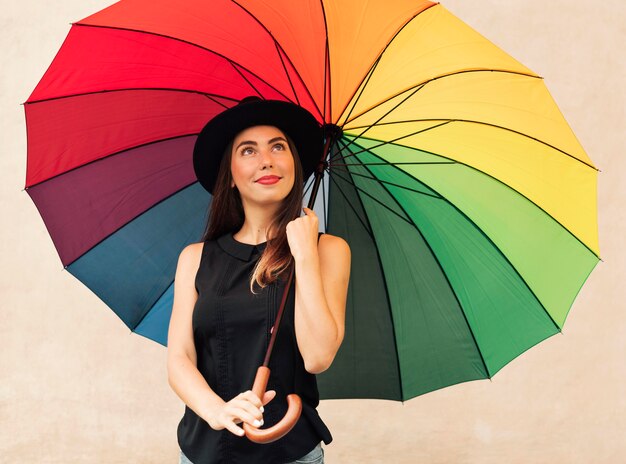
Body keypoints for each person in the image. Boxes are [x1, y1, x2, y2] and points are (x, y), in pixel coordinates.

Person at [167, 96, 351, 464]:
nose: (266, 159)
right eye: (248, 151)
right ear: (230, 177)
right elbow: (179, 359)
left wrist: (304, 255)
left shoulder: (327, 249)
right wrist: (217, 411)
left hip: (289, 451)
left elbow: (317, 357)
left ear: (296, 165)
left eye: (278, 147)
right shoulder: (195, 258)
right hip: (202, 451)